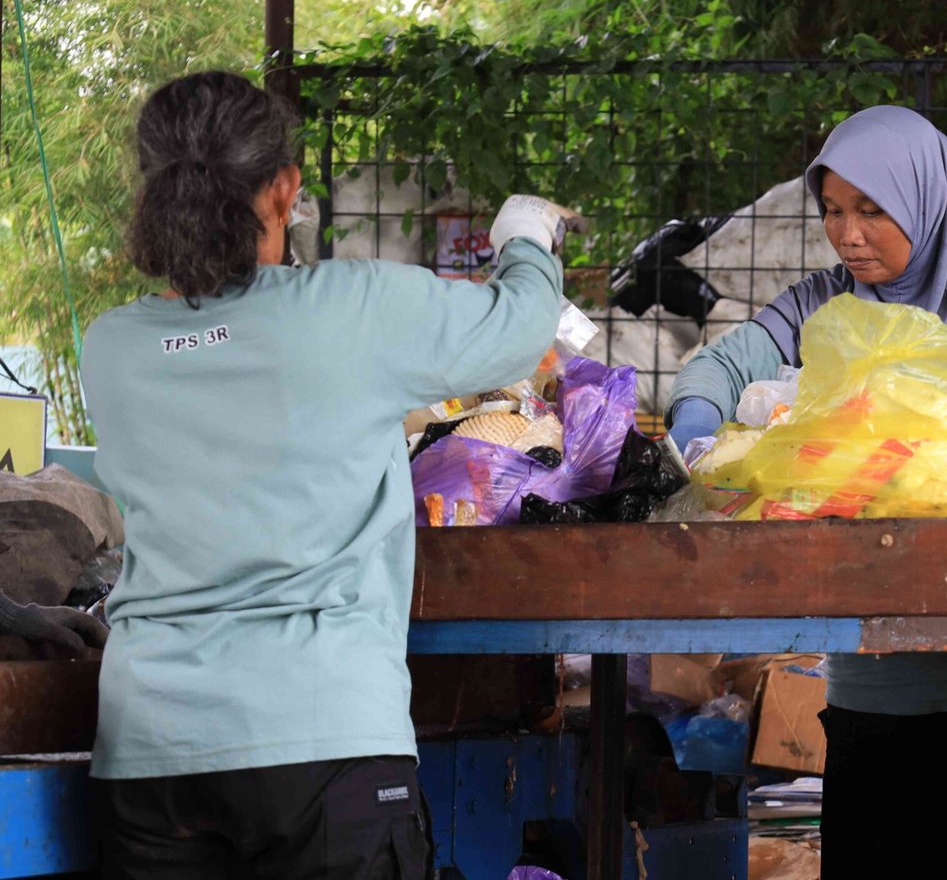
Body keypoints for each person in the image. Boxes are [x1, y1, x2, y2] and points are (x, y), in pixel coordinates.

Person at [80, 71, 578, 878]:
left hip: (149, 756)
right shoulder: (351, 309)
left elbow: (224, 343)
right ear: (284, 190)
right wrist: (525, 236)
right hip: (322, 742)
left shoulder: (110, 348)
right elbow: (519, 327)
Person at [666, 105, 947, 879]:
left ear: (924, 199)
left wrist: (886, 395)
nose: (848, 235)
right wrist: (696, 430)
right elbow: (719, 366)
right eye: (833, 210)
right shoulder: (824, 305)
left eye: (873, 211)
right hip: (868, 685)